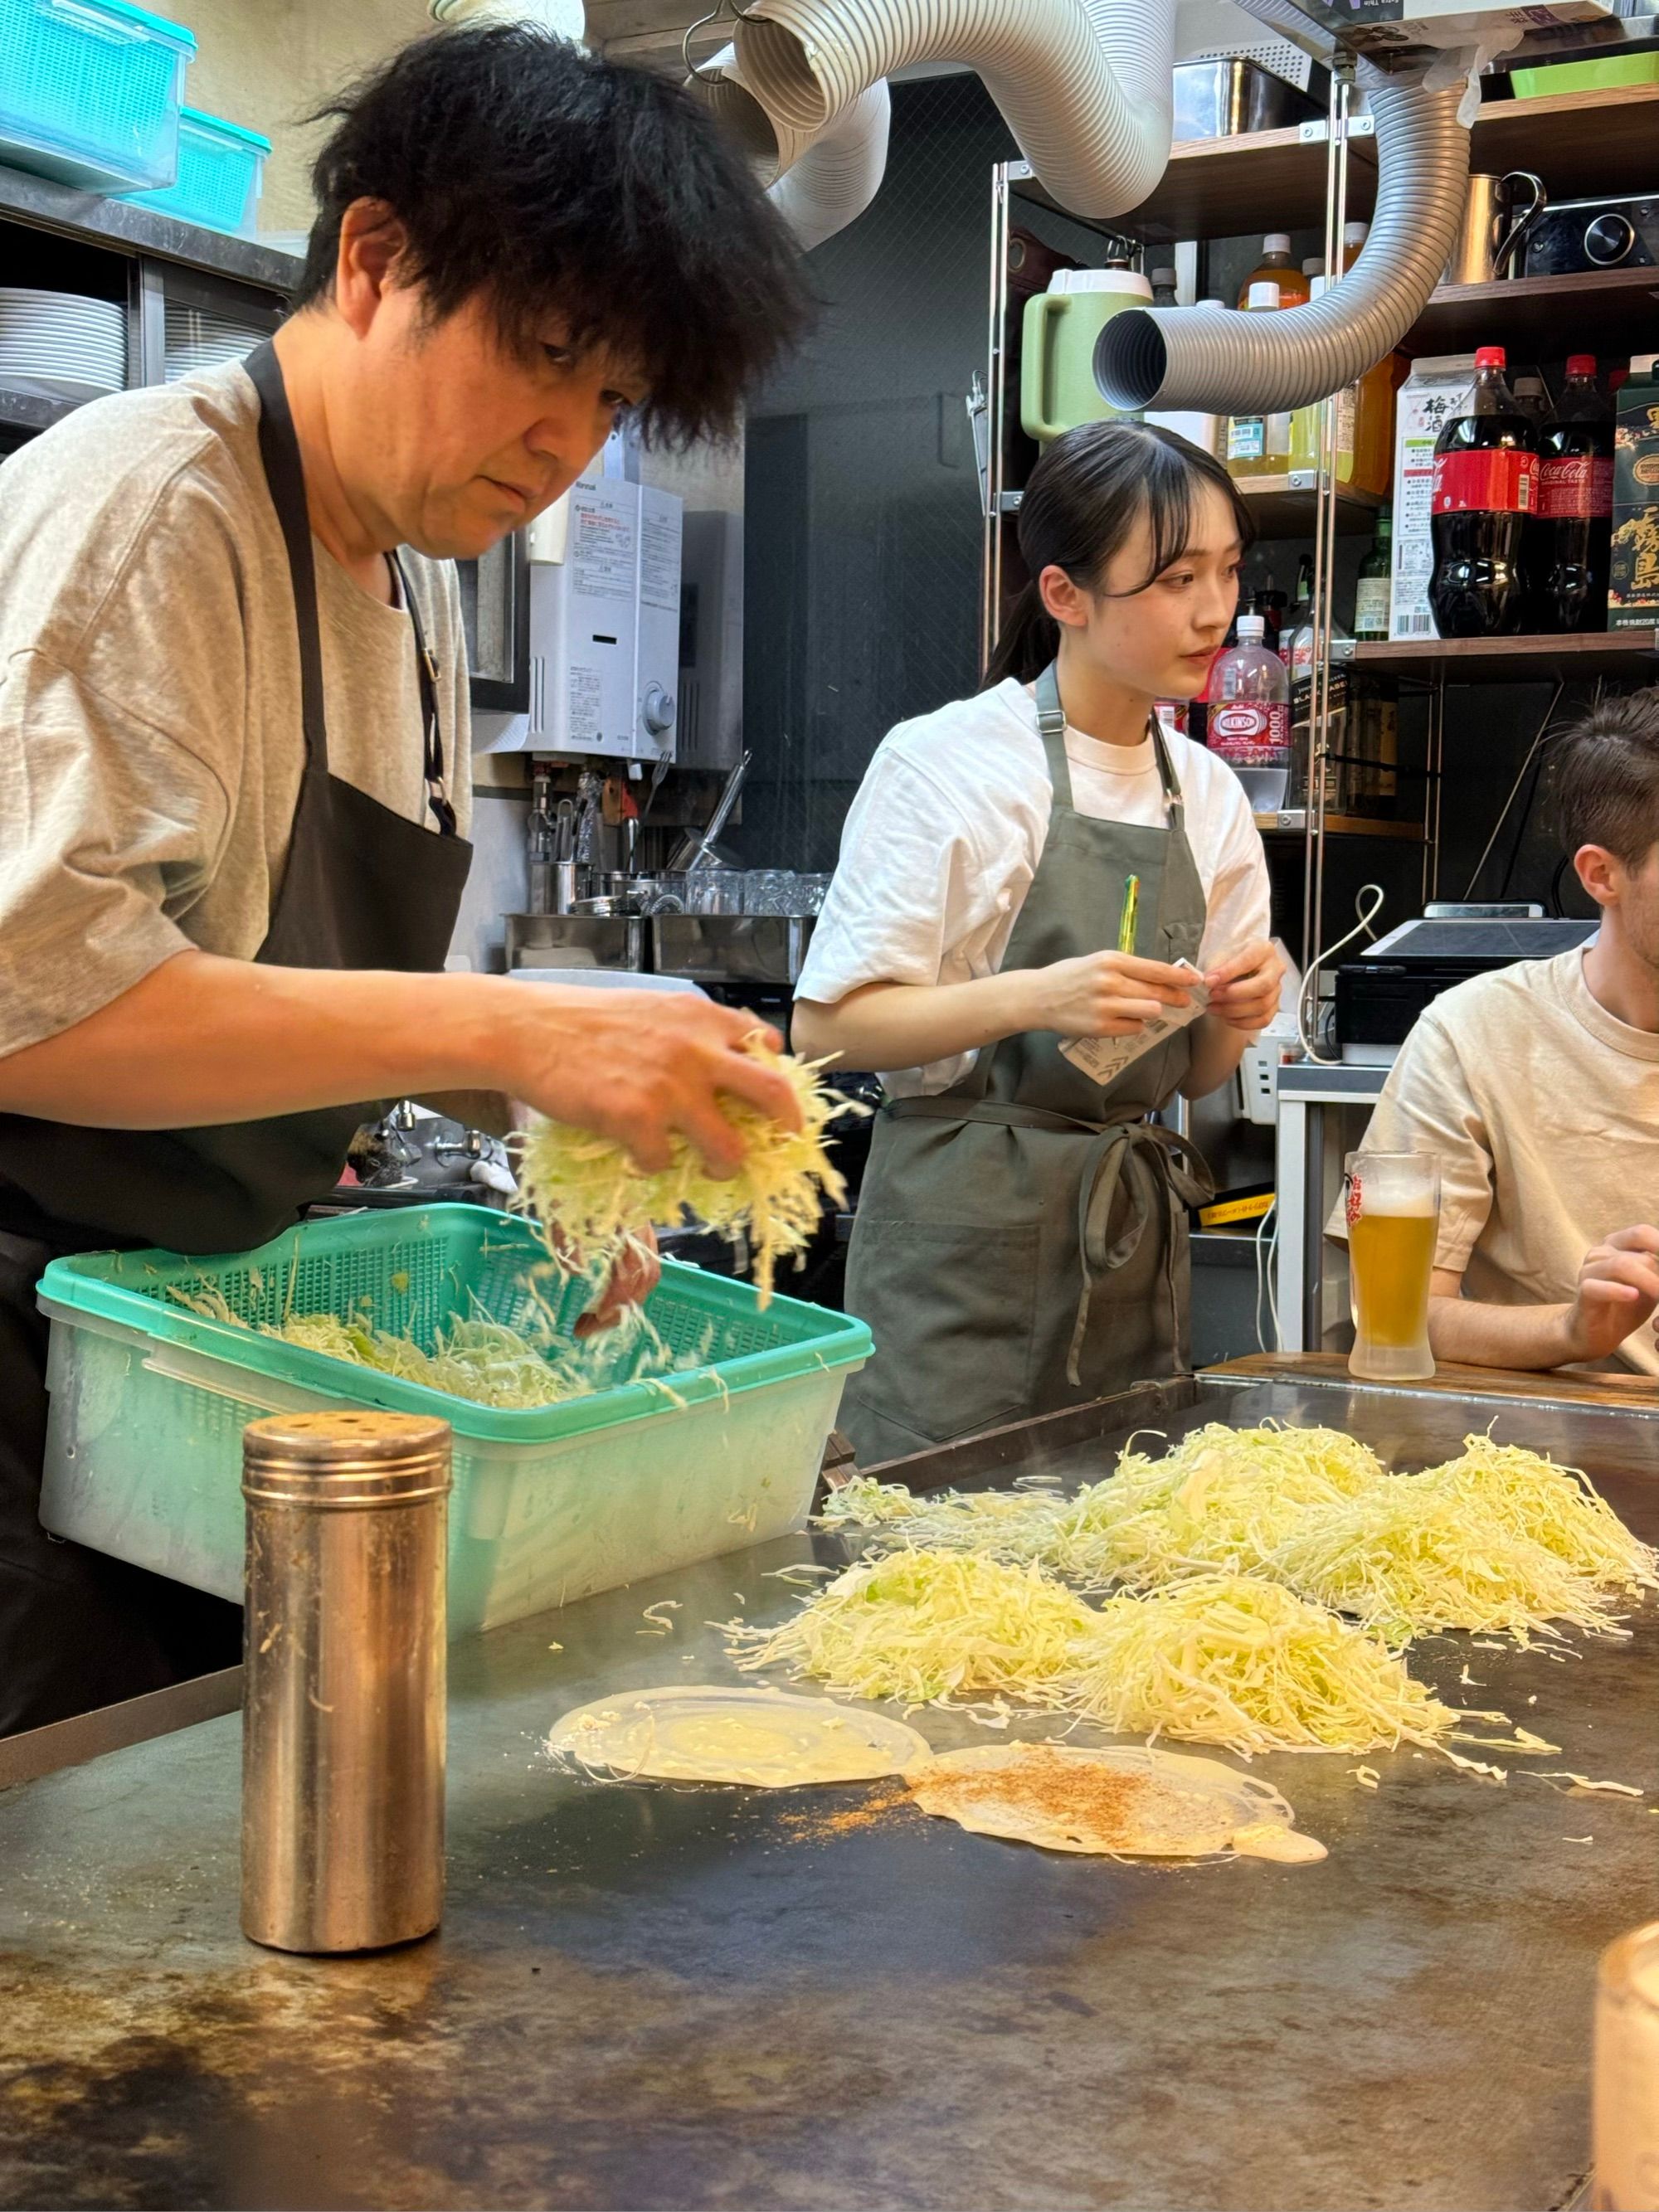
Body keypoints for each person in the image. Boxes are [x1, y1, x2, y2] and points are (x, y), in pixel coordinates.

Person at [0, 25, 812, 1734]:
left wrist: (565, 1142)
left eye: (608, 403)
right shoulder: (159, 507)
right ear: (373, 260)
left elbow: (294, 1007)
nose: (566, 445)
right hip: (27, 1375)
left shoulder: (415, 573)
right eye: (545, 355)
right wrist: (519, 1033)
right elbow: (34, 1008)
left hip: (188, 1356)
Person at [793, 421, 1283, 1465]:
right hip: (958, 1256)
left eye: (1228, 572)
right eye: (1174, 579)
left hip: (1126, 1255)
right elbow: (825, 1029)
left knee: (1114, 1559)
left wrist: (1234, 1016)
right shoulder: (947, 765)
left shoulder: (1207, 795)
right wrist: (1033, 997)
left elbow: (1190, 1072)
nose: (1214, 612)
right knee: (937, 1569)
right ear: (1063, 595)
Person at [1338, 691, 1659, 1378]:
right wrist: (1571, 1328)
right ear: (1602, 874)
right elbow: (1393, 1310)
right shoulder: (1475, 1033)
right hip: (1565, 1449)